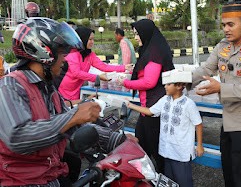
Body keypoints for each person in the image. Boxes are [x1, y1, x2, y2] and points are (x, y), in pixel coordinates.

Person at [0, 17, 128, 186]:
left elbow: (72, 122)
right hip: (22, 181)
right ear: (43, 53)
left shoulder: (48, 89)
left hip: (51, 173)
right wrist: (74, 117)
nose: (64, 60)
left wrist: (117, 139)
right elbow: (18, 137)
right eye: (60, 53)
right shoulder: (10, 86)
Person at [188, 4, 241, 187]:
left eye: (230, 24)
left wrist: (220, 88)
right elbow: (206, 69)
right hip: (229, 120)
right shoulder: (222, 46)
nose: (225, 29)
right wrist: (183, 82)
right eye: (224, 24)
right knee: (229, 172)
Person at [118, 19, 175, 173]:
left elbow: (149, 82)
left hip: (155, 107)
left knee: (155, 148)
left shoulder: (155, 52)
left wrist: (126, 83)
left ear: (145, 33)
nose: (136, 38)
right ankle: (146, 175)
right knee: (142, 142)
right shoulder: (149, 49)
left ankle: (161, 177)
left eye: (137, 34)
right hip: (147, 106)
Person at [127, 75, 204, 187]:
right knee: (169, 182)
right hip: (167, 151)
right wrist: (130, 105)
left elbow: (198, 123)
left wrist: (199, 145)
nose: (165, 87)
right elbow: (150, 111)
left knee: (184, 182)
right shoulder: (164, 100)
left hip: (181, 153)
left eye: (168, 84)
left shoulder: (188, 104)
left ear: (179, 86)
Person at [58, 27, 134, 100]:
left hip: (76, 88)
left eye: (93, 39)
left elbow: (104, 67)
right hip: (64, 89)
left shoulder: (90, 55)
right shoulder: (73, 53)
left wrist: (124, 67)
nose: (92, 42)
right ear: (82, 39)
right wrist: (97, 77)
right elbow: (76, 73)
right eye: (90, 39)